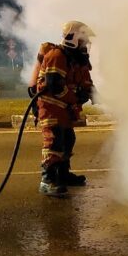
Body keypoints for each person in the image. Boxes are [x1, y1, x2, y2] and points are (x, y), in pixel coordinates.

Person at [31, 20, 96, 196]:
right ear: (73, 38)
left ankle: (63, 175)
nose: (86, 44)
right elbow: (55, 86)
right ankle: (47, 180)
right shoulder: (57, 55)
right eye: (83, 40)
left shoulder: (78, 59)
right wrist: (76, 98)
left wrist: (96, 95)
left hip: (65, 109)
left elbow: (86, 82)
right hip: (51, 107)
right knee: (54, 141)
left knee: (68, 139)